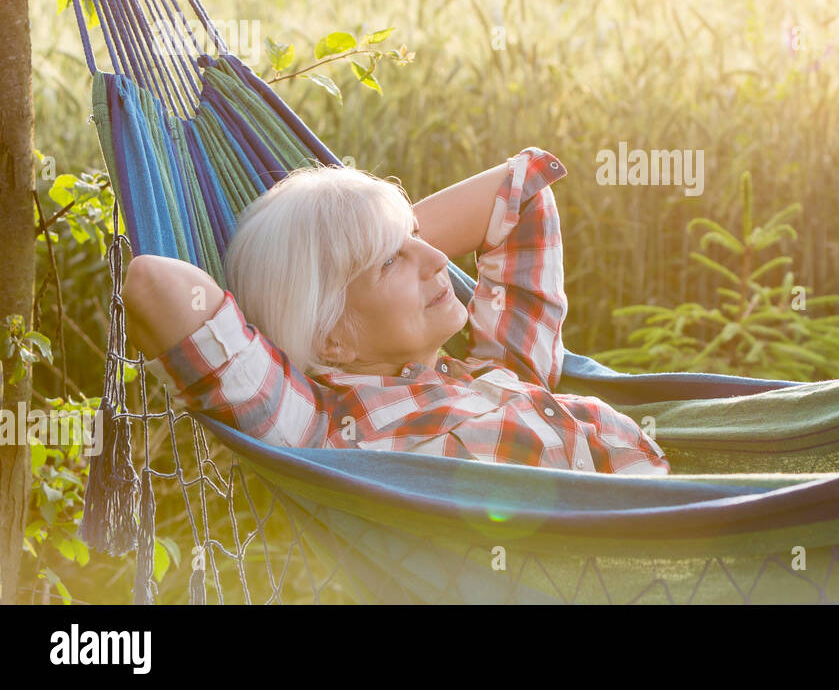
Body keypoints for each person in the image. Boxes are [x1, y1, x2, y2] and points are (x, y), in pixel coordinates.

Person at [123, 146, 670, 475]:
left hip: (701, 520)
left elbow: (521, 190)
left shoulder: (504, 364)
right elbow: (152, 284)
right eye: (391, 262)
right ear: (332, 337)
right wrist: (342, 252)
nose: (437, 258)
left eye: (417, 237)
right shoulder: (320, 432)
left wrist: (373, 233)